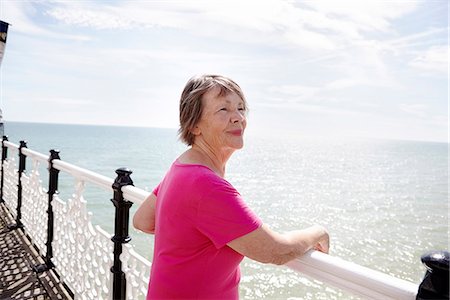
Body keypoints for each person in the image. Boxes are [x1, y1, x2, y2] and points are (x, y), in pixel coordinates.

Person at [133, 74, 330, 299]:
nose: (237, 117)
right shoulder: (206, 186)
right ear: (194, 125)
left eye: (241, 108)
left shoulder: (182, 167)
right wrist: (318, 232)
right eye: (223, 110)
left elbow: (142, 220)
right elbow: (274, 251)